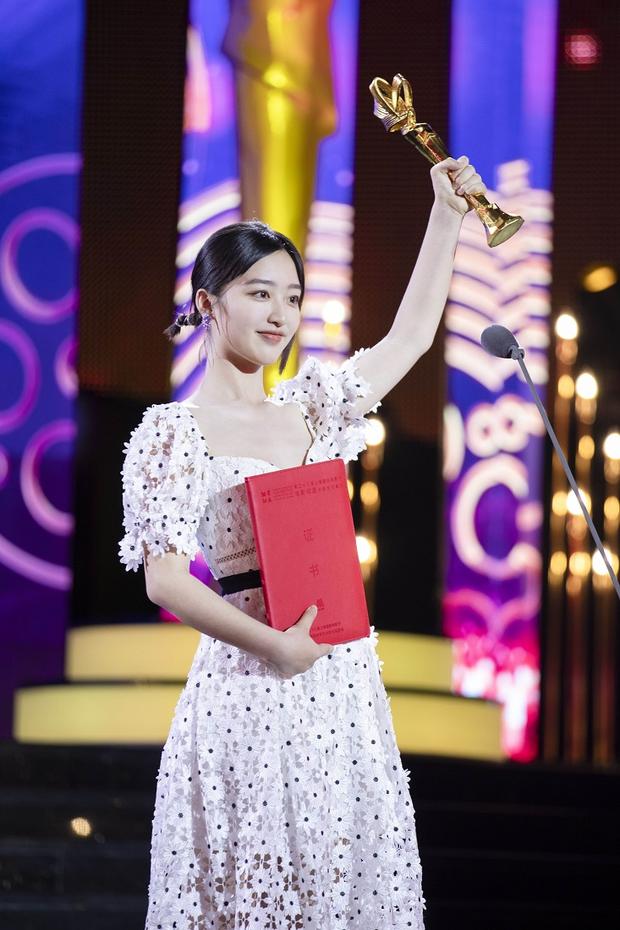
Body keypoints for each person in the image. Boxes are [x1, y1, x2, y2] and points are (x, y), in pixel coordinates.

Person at [119, 154, 485, 929]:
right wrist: (275, 648)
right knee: (254, 894)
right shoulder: (173, 433)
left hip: (340, 685)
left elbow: (411, 337)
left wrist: (446, 216)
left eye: (291, 296)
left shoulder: (312, 407)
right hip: (248, 681)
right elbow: (165, 579)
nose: (279, 313)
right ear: (208, 302)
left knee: (336, 889)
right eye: (259, 293)